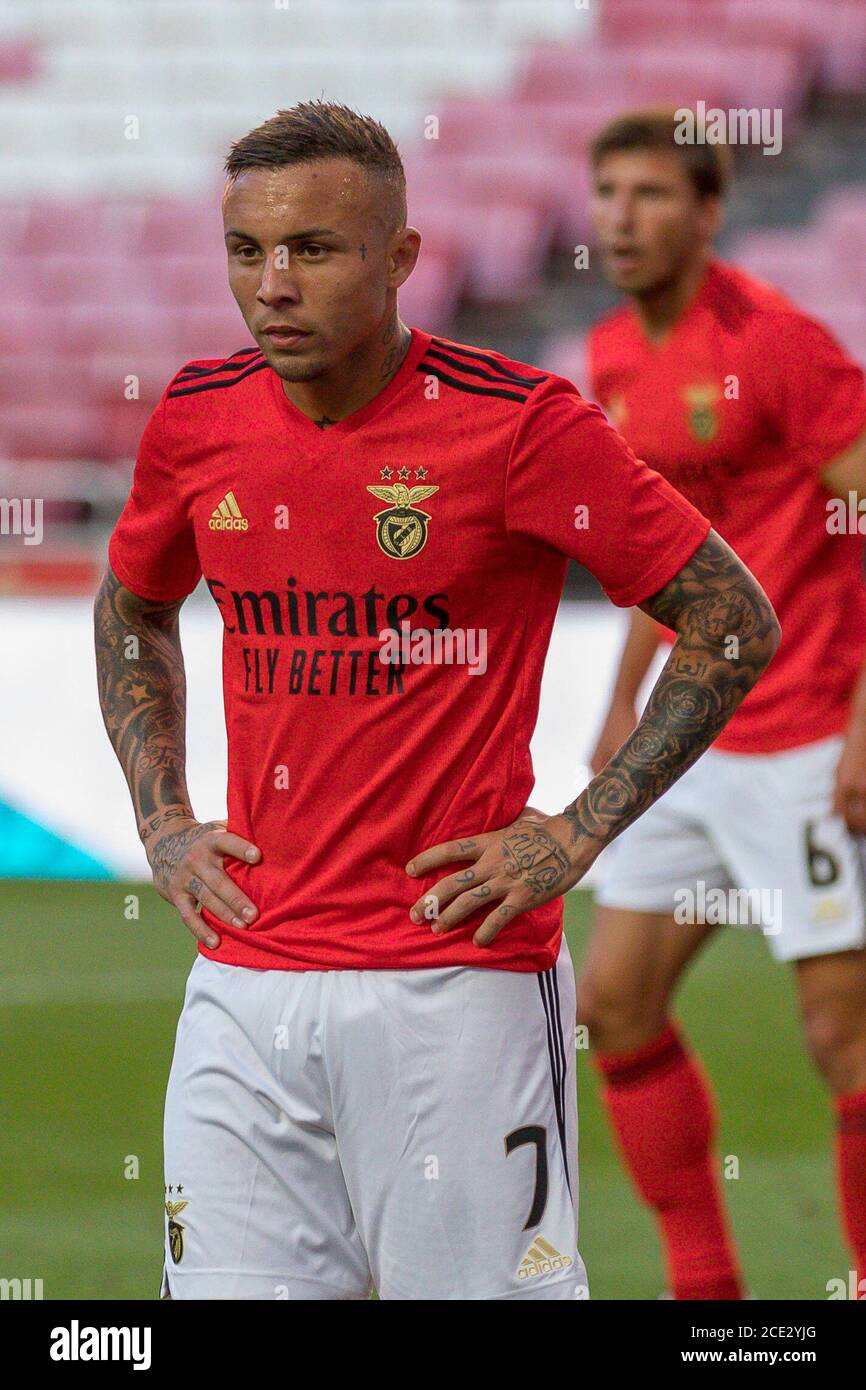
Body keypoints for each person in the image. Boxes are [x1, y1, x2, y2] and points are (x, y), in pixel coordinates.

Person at [94, 100, 778, 1301]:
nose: (274, 285)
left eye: (314, 248)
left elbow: (729, 618)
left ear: (403, 257)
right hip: (243, 984)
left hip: (453, 987)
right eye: (247, 251)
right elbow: (132, 603)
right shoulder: (198, 418)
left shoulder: (518, 425)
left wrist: (576, 829)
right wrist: (163, 817)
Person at [580, 109, 866, 1299]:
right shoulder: (605, 358)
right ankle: (705, 1292)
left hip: (805, 729)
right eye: (606, 194)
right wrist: (617, 714)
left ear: (705, 213)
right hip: (687, 735)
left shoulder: (781, 346)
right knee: (610, 1001)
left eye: (649, 194)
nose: (620, 217)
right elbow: (669, 560)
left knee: (839, 1040)